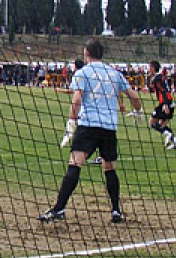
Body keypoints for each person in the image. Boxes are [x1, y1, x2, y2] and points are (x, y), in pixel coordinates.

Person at [38, 38, 142, 224]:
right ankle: (116, 211)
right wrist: (138, 111)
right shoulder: (114, 73)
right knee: (109, 167)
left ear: (86, 53)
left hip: (89, 125)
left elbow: (76, 100)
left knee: (75, 164)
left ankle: (59, 209)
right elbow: (133, 95)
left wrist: (71, 123)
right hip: (109, 127)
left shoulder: (83, 73)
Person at [146, 60, 176, 150]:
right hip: (170, 103)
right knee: (162, 125)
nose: (148, 68)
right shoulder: (162, 77)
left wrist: (165, 104)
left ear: (153, 68)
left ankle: (168, 134)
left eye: (149, 67)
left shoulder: (157, 78)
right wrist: (149, 90)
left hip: (165, 103)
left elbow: (163, 91)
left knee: (152, 122)